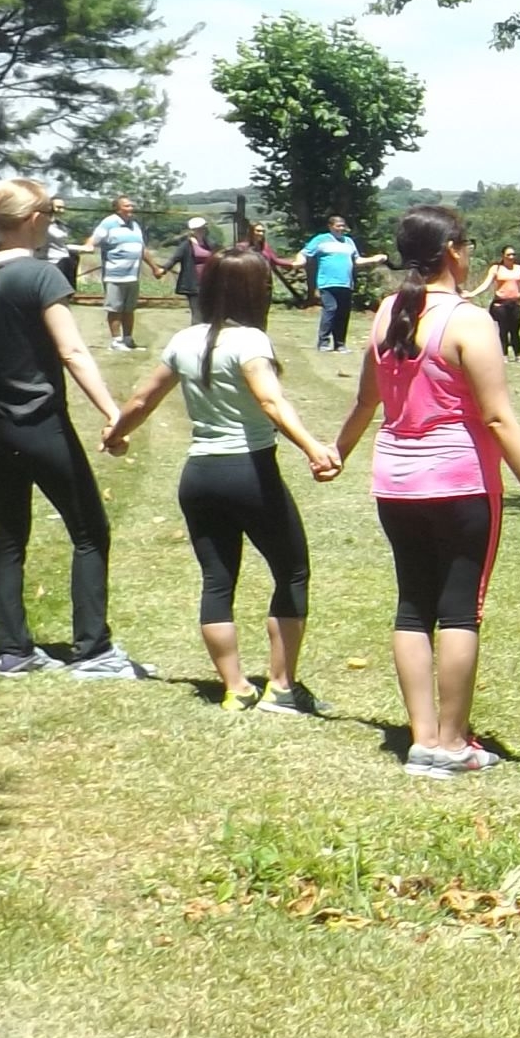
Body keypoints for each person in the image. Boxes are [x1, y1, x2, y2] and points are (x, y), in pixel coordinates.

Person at [330, 207, 520, 775]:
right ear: (452, 251)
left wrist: (338, 453)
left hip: (395, 484)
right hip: (460, 484)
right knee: (461, 609)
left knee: (413, 605)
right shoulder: (469, 321)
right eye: (467, 245)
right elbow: (497, 418)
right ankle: (451, 741)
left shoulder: (388, 311)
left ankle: (421, 739)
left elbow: (368, 399)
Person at [99, 246, 338, 709]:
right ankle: (282, 688)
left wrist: (115, 434)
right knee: (291, 571)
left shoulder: (183, 341)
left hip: (199, 477)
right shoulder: (250, 341)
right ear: (256, 292)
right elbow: (271, 403)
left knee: (217, 580)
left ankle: (235, 688)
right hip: (249, 471)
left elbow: (143, 399)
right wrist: (314, 448)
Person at [0, 180, 145, 678]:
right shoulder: (40, 276)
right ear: (34, 219)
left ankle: (13, 651)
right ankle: (93, 650)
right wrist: (114, 412)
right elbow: (72, 352)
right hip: (36, 421)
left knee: (8, 534)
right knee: (89, 530)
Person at [296, 216, 372, 352]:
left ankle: (340, 344)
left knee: (343, 313)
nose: (341, 228)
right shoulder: (321, 240)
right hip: (327, 283)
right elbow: (304, 253)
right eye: (338, 226)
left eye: (343, 226)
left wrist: (375, 259)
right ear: (330, 227)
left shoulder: (349, 241)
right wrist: (299, 262)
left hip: (346, 283)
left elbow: (357, 260)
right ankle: (323, 342)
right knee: (331, 310)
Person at [84, 195, 147, 351]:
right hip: (115, 274)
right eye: (127, 206)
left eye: (132, 205)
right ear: (117, 209)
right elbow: (94, 238)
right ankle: (116, 341)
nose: (131, 208)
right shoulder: (109, 223)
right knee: (115, 308)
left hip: (133, 274)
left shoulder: (134, 225)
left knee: (129, 309)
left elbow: (142, 248)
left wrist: (154, 268)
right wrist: (89, 246)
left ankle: (128, 339)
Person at [480, 245, 520, 360]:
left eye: (513, 254)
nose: (511, 257)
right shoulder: (496, 269)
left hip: (515, 304)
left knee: (515, 331)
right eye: (508, 255)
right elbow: (485, 284)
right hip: (500, 305)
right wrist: (472, 293)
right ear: (503, 256)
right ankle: (504, 355)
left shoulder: (518, 269)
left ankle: (518, 355)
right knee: (502, 331)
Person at [162, 215, 215, 316]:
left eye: (203, 228)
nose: (203, 231)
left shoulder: (209, 244)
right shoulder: (186, 245)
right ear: (193, 230)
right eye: (200, 229)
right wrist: (163, 269)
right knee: (198, 314)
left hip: (209, 283)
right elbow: (175, 259)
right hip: (193, 284)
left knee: (208, 313)